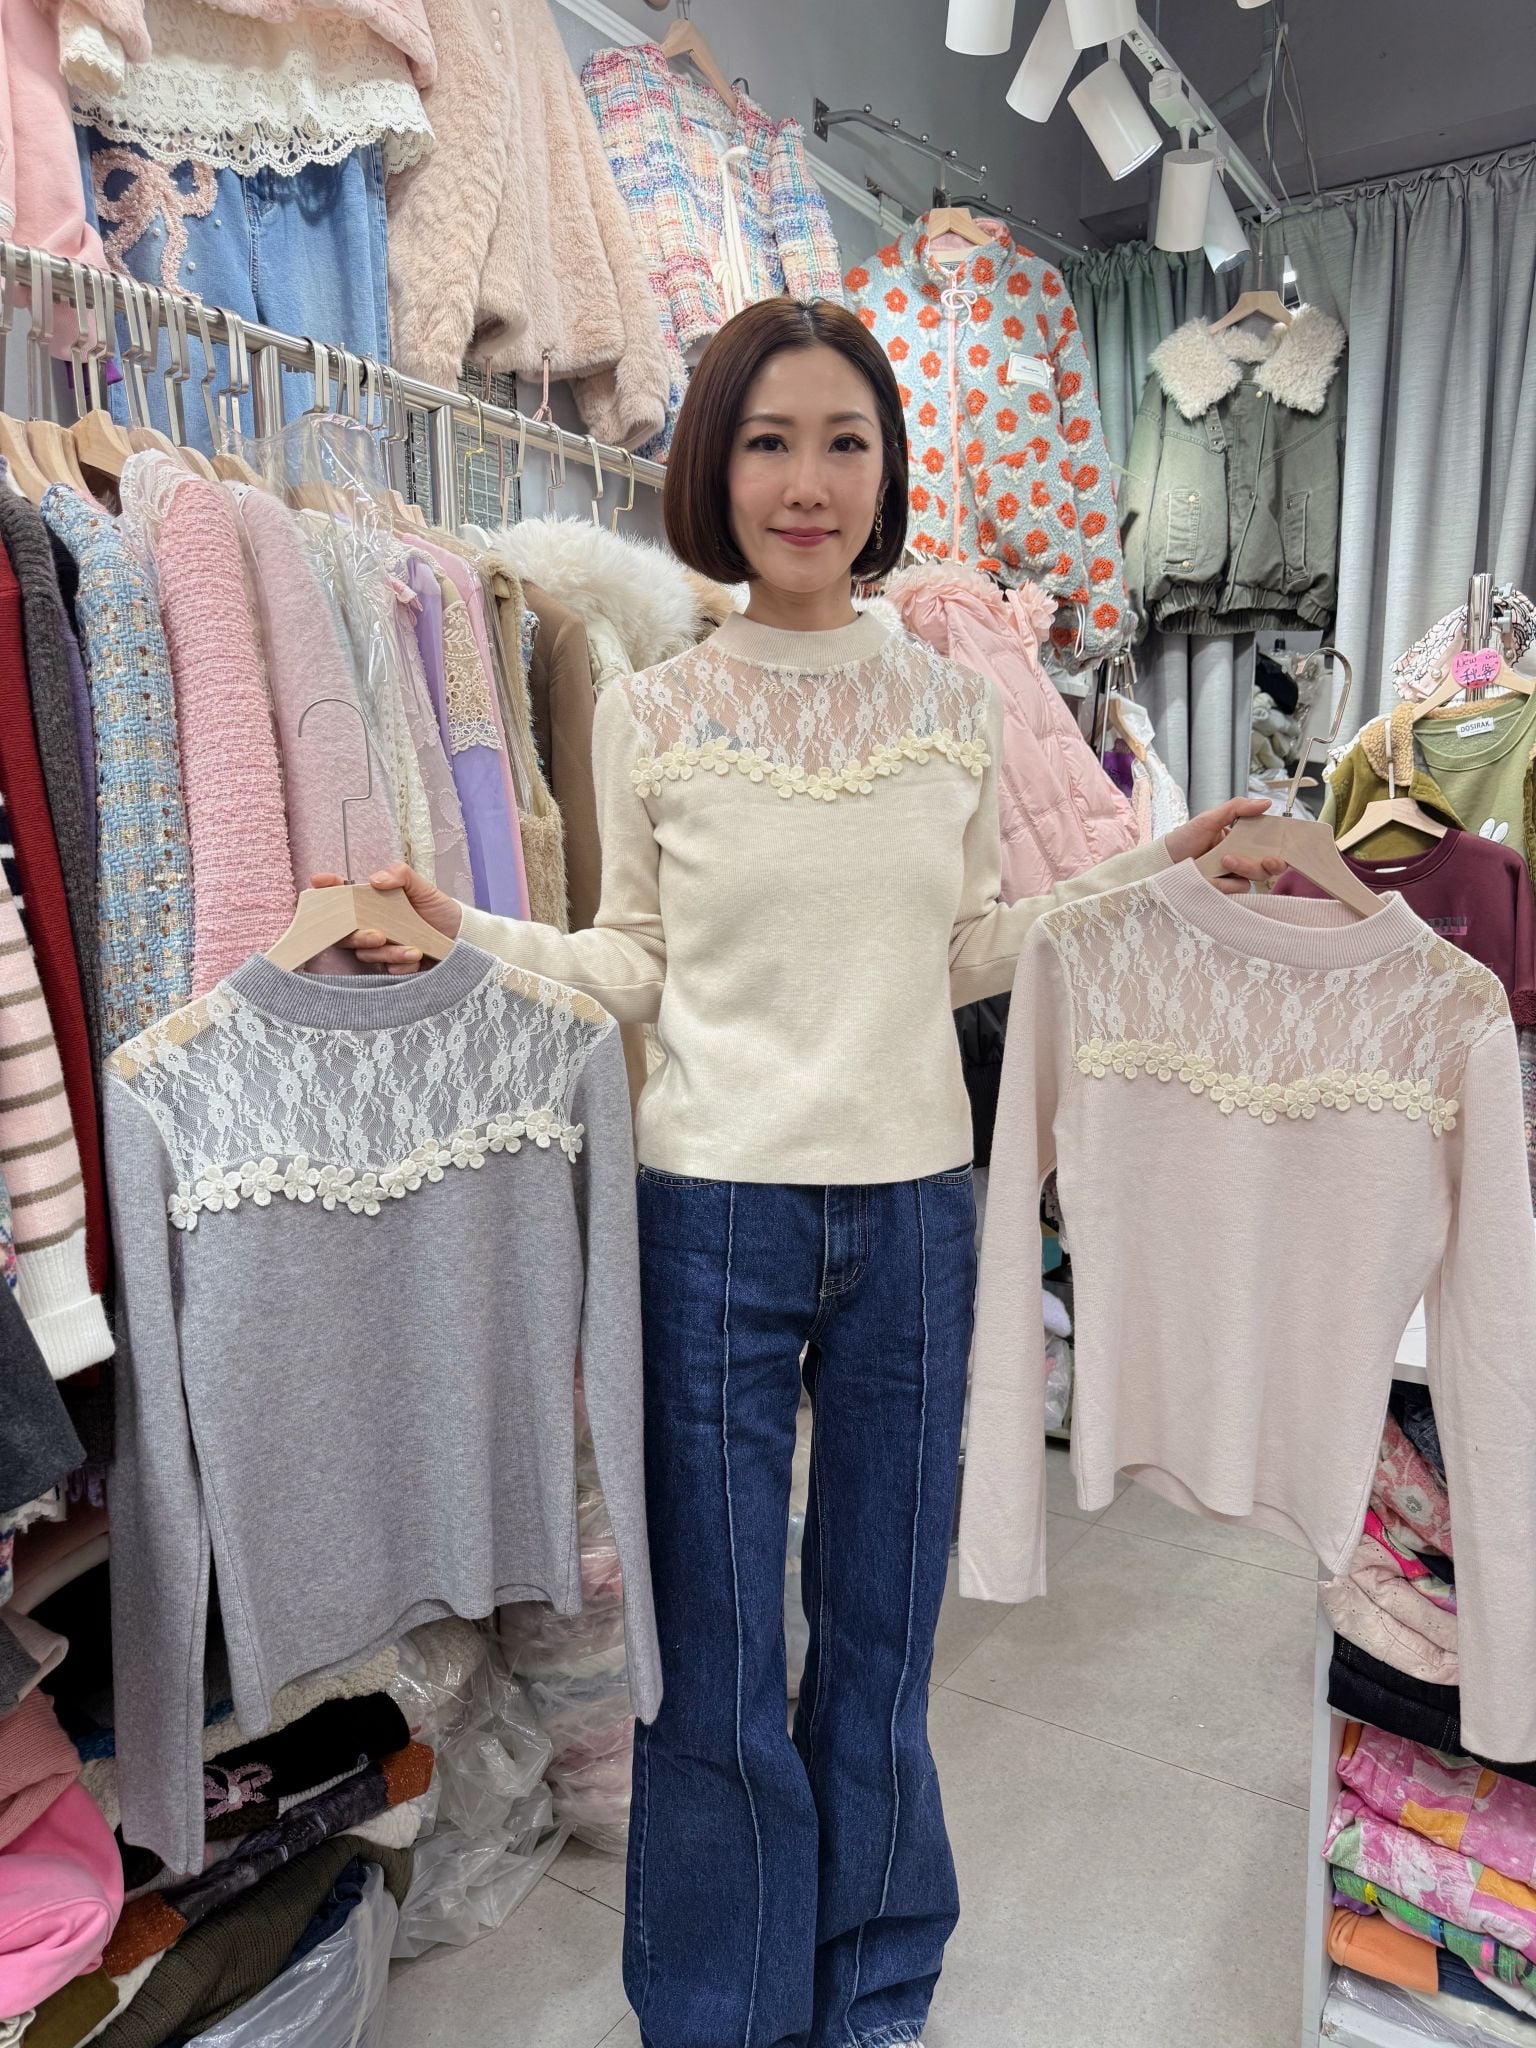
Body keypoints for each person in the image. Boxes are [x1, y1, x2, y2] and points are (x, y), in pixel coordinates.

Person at [324, 298, 1277, 2048]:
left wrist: (1150, 874)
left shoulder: (950, 707)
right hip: (708, 1223)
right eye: (770, 441)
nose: (809, 481)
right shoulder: (653, 708)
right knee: (715, 1663)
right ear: (715, 466)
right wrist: (469, 935)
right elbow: (632, 962)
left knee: (881, 1646)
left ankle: (874, 1983)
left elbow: (970, 947)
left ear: (887, 472)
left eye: (847, 441)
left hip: (916, 1218)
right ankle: (722, 2005)